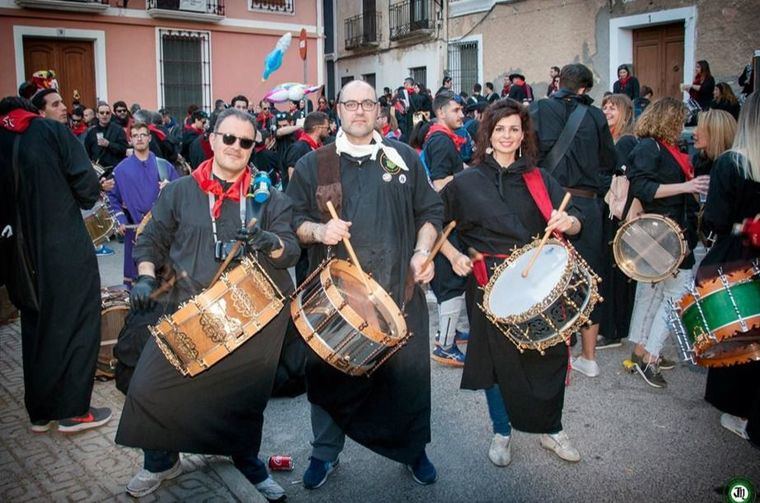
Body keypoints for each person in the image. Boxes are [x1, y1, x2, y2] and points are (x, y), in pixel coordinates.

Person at [115, 108, 300, 500]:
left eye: (245, 141)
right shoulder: (181, 190)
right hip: (182, 308)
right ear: (212, 139)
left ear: (255, 147)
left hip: (245, 316)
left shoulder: (268, 197)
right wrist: (146, 275)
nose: (235, 147)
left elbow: (292, 251)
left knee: (241, 399)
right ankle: (161, 462)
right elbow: (151, 239)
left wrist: (270, 241)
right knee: (151, 388)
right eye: (228, 138)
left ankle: (247, 463)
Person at [286, 80, 442, 489]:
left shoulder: (403, 158)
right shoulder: (314, 164)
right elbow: (291, 223)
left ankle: (412, 450)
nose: (359, 111)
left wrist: (422, 252)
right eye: (351, 104)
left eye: (367, 103)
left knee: (406, 380)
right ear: (337, 109)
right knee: (328, 378)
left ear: (379, 111)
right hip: (333, 301)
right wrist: (320, 232)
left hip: (397, 294)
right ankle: (325, 453)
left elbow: (429, 212)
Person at [439, 98, 584, 466]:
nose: (507, 136)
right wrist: (455, 255)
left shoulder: (539, 178)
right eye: (499, 129)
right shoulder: (465, 182)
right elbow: (434, 224)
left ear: (523, 136)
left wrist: (569, 223)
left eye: (514, 130)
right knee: (497, 364)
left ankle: (552, 429)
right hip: (489, 284)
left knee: (547, 356)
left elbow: (576, 220)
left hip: (539, 284)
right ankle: (501, 432)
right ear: (488, 134)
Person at [0, 96, 112, 434]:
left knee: (35, 324)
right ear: (32, 111)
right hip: (61, 244)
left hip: (15, 250)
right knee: (79, 319)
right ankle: (73, 411)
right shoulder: (49, 131)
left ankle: (41, 412)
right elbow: (86, 187)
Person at [530, 63, 616, 377]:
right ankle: (589, 358)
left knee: (547, 276)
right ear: (584, 88)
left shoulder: (540, 107)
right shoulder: (595, 116)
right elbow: (610, 160)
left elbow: (530, 154)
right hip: (588, 204)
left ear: (560, 83)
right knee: (588, 278)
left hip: (548, 201)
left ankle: (551, 353)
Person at [626, 97, 709, 388]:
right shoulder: (650, 147)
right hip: (662, 234)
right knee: (675, 297)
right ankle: (650, 356)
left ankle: (642, 352)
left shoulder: (663, 147)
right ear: (669, 119)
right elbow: (641, 187)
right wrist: (687, 186)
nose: (684, 125)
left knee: (660, 295)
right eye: (681, 119)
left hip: (669, 232)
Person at [697, 92, 760, 447]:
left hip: (737, 251)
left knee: (736, 329)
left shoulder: (732, 164)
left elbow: (718, 220)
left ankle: (734, 407)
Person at [422, 91, 469, 366]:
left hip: (445, 218)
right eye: (456, 110)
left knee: (452, 280)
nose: (461, 115)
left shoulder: (440, 138)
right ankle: (445, 344)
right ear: (441, 113)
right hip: (445, 220)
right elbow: (440, 183)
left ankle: (451, 332)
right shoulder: (440, 141)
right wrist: (470, 176)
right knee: (451, 282)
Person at [107, 121, 180, 286]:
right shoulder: (120, 170)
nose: (139, 138)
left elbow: (181, 197)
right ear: (130, 141)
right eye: (135, 135)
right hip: (135, 234)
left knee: (166, 283)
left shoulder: (164, 166)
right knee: (139, 285)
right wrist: (121, 221)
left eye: (143, 135)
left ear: (149, 138)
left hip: (164, 232)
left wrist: (170, 189)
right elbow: (112, 198)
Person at [597, 94, 638, 349]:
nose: (607, 110)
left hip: (617, 214)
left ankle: (613, 329)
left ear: (625, 113)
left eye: (613, 107)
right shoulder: (610, 139)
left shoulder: (624, 142)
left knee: (615, 270)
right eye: (605, 106)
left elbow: (619, 179)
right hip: (610, 210)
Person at [692, 109, 737, 177]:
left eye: (700, 128)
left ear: (715, 133)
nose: (694, 132)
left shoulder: (733, 165)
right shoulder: (698, 160)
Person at [83, 101, 129, 168]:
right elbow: (87, 151)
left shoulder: (118, 130)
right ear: (97, 115)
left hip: (113, 168)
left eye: (107, 113)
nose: (105, 115)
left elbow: (124, 149)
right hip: (98, 170)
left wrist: (109, 144)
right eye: (102, 113)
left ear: (110, 115)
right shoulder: (91, 132)